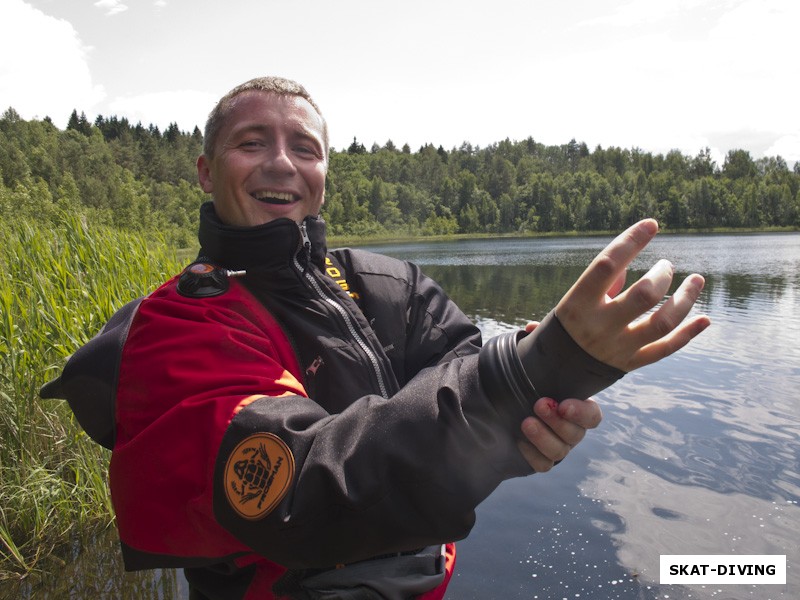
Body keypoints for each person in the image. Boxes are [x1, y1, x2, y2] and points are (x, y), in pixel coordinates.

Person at [41, 76, 710, 600]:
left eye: (304, 148)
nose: (281, 163)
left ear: (325, 172)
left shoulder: (387, 284)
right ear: (205, 170)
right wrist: (528, 374)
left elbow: (468, 375)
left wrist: (544, 402)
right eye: (251, 142)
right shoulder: (180, 322)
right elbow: (301, 488)